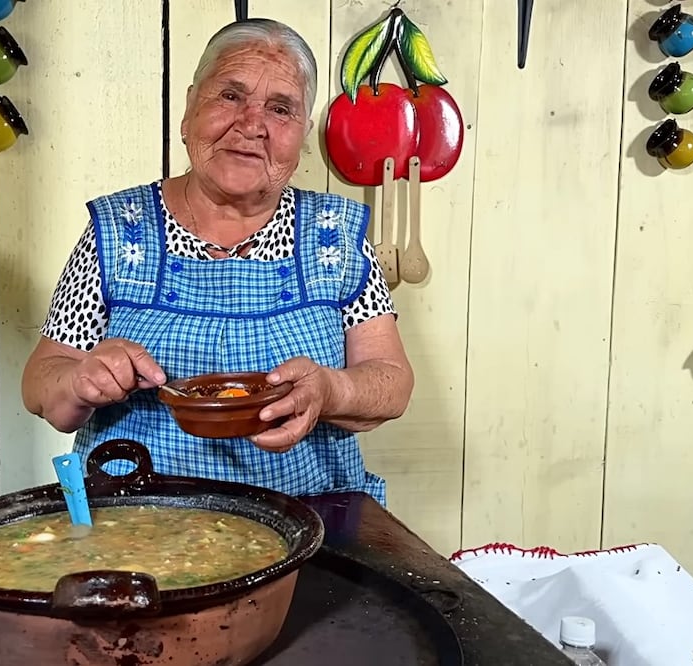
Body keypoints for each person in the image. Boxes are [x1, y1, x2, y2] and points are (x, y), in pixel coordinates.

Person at [21, 18, 413, 506]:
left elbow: (391, 382)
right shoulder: (120, 230)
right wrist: (81, 381)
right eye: (230, 95)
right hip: (135, 516)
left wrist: (332, 391)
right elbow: (42, 385)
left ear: (302, 135)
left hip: (308, 520)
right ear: (189, 110)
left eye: (280, 108)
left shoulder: (333, 235)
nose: (251, 125)